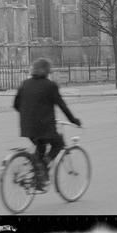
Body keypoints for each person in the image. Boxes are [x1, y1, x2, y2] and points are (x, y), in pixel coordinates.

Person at [13, 58, 81, 192]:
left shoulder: (24, 83)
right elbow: (62, 106)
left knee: (40, 148)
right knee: (58, 144)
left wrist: (28, 115)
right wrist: (74, 120)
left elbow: (16, 105)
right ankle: (42, 174)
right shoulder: (50, 85)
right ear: (47, 71)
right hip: (44, 127)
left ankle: (37, 178)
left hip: (26, 127)